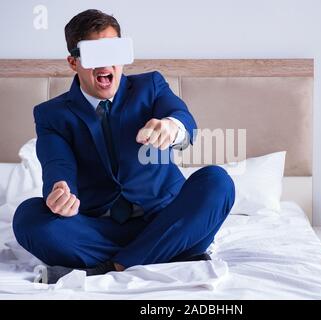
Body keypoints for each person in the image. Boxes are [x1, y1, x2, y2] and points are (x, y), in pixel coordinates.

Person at [12, 9, 235, 284]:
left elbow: (184, 120)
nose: (106, 64)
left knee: (218, 182)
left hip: (167, 218)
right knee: (28, 218)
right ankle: (170, 255)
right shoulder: (51, 114)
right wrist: (60, 191)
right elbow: (57, 164)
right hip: (100, 229)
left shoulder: (150, 86)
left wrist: (172, 127)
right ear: (73, 62)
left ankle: (112, 267)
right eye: (95, 55)